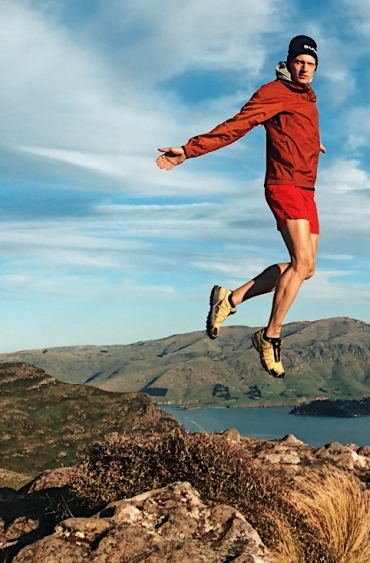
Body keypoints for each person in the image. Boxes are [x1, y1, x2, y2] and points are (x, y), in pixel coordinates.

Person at [156, 35, 323, 378]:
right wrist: (189, 150)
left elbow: (294, 127)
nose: (304, 68)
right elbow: (237, 125)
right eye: (299, 62)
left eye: (311, 64)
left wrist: (311, 143)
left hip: (306, 189)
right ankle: (270, 336)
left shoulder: (308, 98)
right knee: (301, 261)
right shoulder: (273, 92)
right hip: (284, 184)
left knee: (305, 269)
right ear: (289, 62)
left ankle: (230, 300)